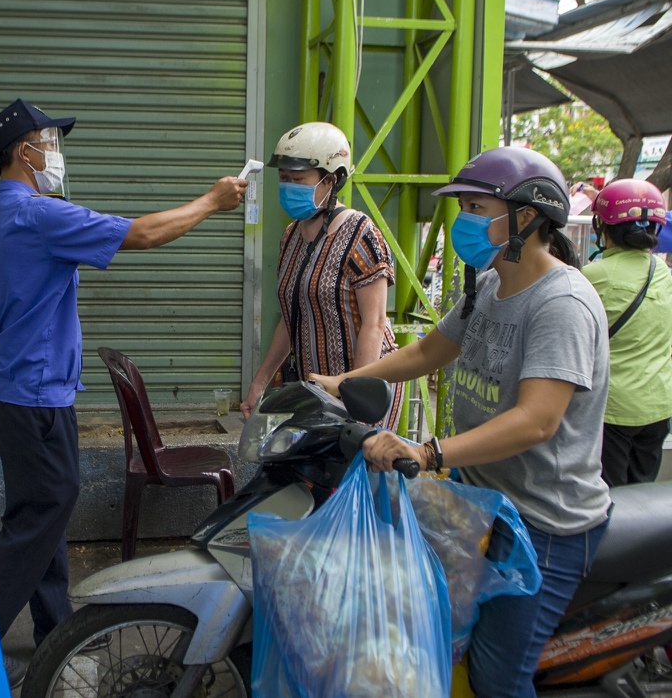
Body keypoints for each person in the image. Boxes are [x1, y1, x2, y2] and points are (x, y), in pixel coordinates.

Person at [309, 146, 612, 697]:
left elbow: (536, 421)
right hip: (483, 503)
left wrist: (427, 454)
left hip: (543, 522)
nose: (462, 220)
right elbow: (429, 351)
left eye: (476, 206)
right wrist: (346, 381)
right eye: (463, 207)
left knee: (498, 680)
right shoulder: (491, 283)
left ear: (524, 217)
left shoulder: (562, 303)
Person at [0, 98, 246, 687]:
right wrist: (212, 202)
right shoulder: (40, 216)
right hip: (37, 397)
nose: (58, 154)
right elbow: (141, 234)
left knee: (41, 513)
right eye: (52, 142)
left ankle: (57, 638)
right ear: (25, 152)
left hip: (17, 394)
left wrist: (6, 380)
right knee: (42, 513)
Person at [239, 122, 403, 428]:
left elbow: (374, 324)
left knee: (357, 471)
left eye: (299, 179)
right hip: (317, 390)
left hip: (366, 389)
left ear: (332, 180)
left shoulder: (360, 234)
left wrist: (356, 396)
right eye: (284, 178)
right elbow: (292, 320)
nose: (289, 186)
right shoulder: (291, 236)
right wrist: (260, 383)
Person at [581, 179, 672, 486]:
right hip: (658, 405)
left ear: (601, 226)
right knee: (643, 493)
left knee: (610, 494)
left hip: (613, 410)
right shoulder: (662, 272)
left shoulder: (593, 275)